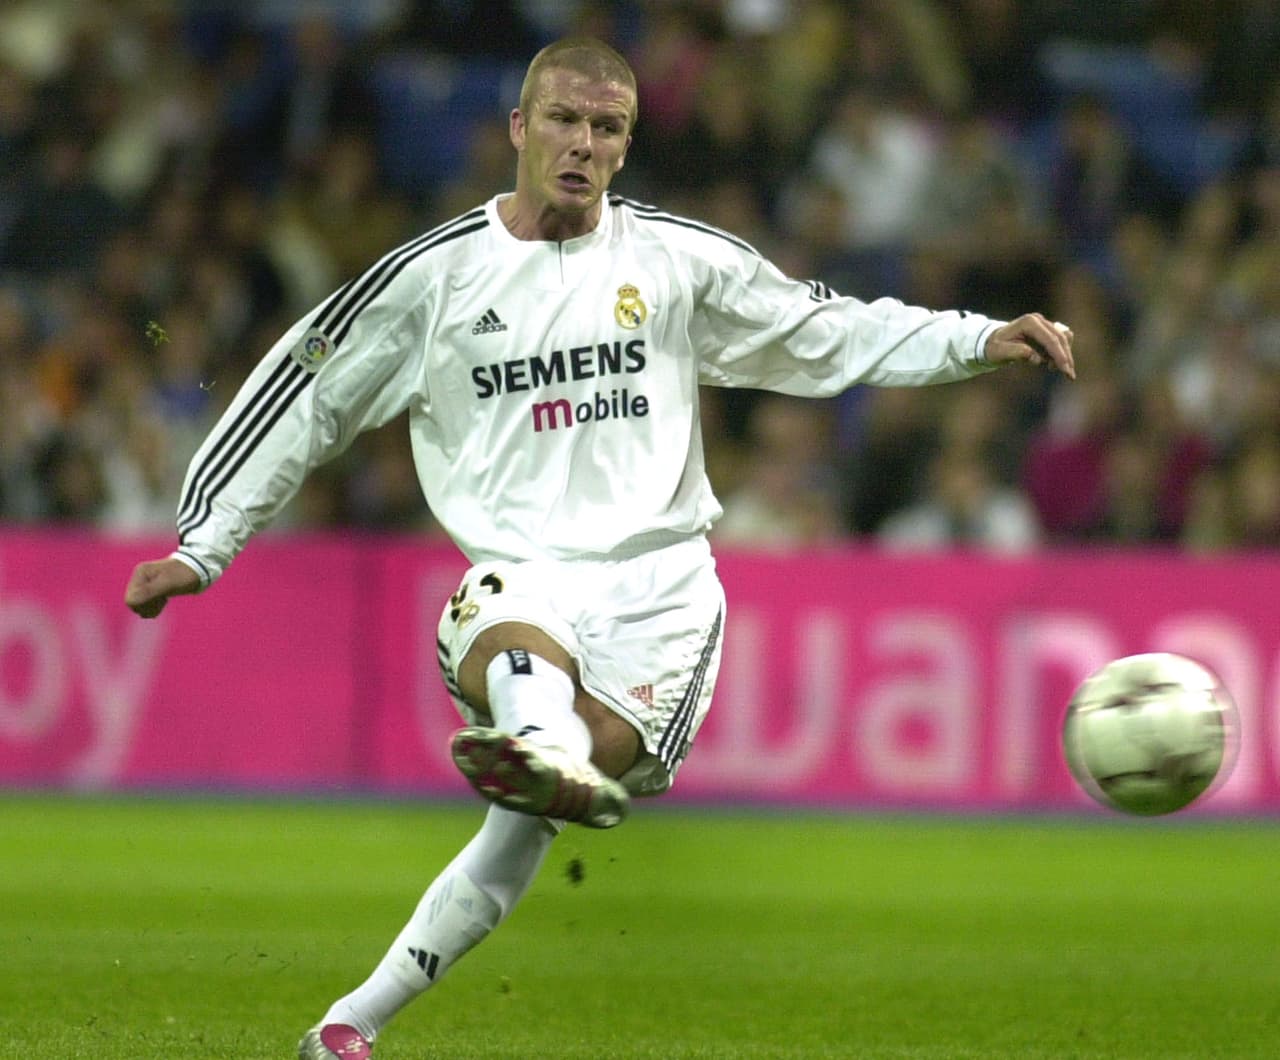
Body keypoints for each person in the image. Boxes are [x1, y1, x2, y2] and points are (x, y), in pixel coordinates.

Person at [121, 37, 1075, 1060]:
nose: (583, 144)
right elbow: (303, 393)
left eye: (606, 127)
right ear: (518, 130)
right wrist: (206, 542)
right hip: (516, 576)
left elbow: (823, 331)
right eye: (565, 122)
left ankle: (348, 1022)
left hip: (662, 594)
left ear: (626, 144)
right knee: (517, 647)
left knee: (520, 828)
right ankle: (540, 747)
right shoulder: (434, 279)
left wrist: (973, 338)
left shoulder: (673, 260)